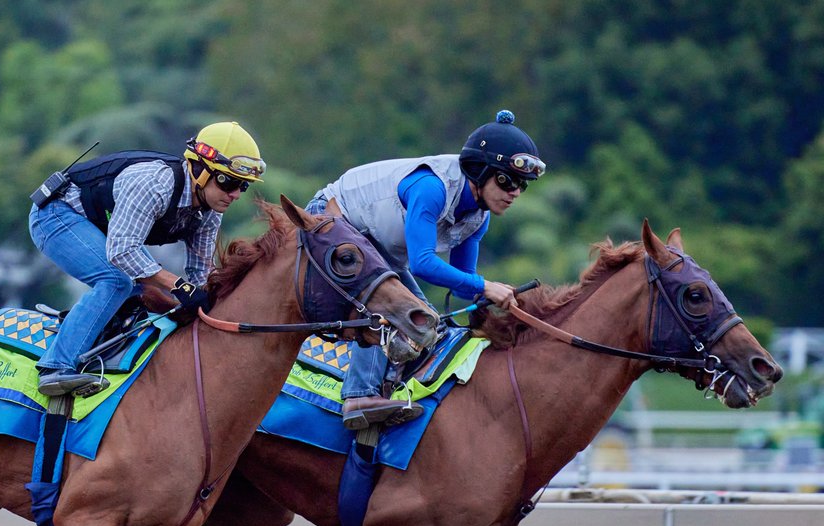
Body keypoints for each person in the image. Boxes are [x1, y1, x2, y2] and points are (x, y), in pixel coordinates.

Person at [305, 109, 544, 430]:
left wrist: (497, 302)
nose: (514, 191)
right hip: (332, 220)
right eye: (506, 180)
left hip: (376, 248)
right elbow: (423, 263)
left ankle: (391, 390)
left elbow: (462, 287)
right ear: (479, 171)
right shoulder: (432, 189)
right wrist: (487, 286)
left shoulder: (478, 217)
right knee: (393, 308)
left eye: (521, 185)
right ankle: (359, 396)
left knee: (427, 321)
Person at [28, 121, 265, 397]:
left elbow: (201, 273)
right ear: (200, 170)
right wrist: (179, 286)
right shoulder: (155, 184)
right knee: (115, 281)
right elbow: (121, 251)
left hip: (106, 232)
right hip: (57, 215)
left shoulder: (210, 213)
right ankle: (56, 367)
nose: (235, 194)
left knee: (151, 295)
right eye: (229, 182)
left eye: (243, 187)